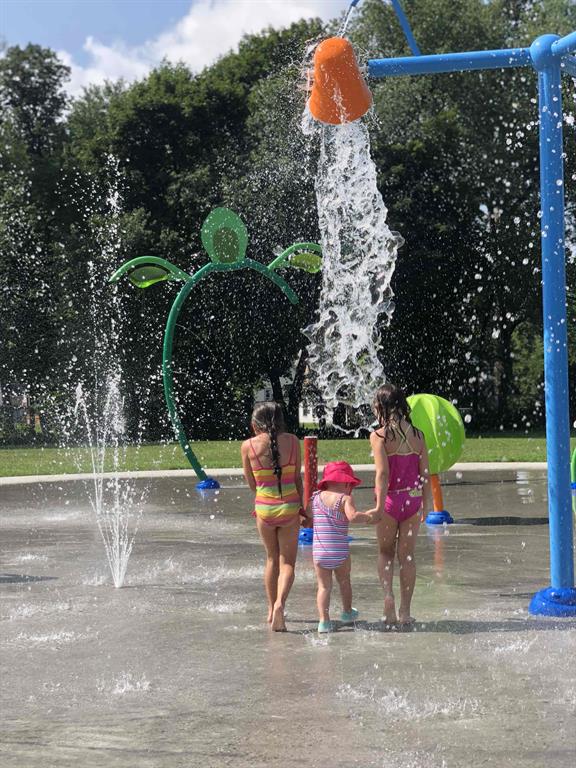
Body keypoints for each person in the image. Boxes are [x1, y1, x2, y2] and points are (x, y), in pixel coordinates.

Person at [370, 384, 432, 629]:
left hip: (389, 501)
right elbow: (425, 473)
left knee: (385, 553)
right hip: (412, 501)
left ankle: (388, 599)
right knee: (407, 556)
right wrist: (428, 506)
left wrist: (378, 507)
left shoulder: (379, 436)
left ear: (382, 407)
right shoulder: (418, 436)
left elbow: (382, 475)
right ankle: (405, 611)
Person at [241, 401, 305, 632]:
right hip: (289, 506)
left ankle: (270, 609)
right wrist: (303, 509)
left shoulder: (247, 446)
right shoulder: (293, 442)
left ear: (255, 424)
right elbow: (298, 479)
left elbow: (252, 484)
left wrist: (263, 499)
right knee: (287, 562)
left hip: (264, 509)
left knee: (271, 559)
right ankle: (280, 604)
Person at [310, 461, 380, 634]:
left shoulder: (316, 497)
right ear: (345, 483)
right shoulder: (344, 499)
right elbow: (352, 516)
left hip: (319, 552)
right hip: (339, 552)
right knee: (344, 581)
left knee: (324, 587)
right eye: (350, 484)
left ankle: (323, 622)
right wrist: (369, 517)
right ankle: (347, 612)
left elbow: (310, 517)